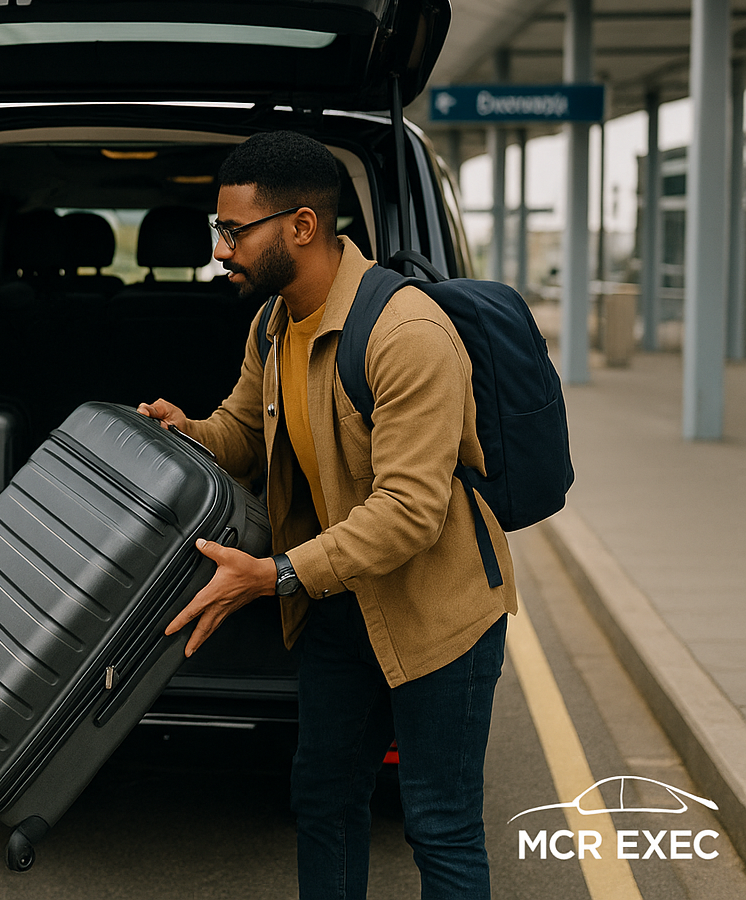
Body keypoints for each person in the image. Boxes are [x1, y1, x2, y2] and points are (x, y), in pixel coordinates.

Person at [140, 131, 516, 900]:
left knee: (439, 825)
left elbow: (410, 510)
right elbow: (245, 433)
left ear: (302, 226)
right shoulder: (273, 324)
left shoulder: (406, 334)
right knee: (323, 802)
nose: (220, 251)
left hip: (437, 614)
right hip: (341, 605)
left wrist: (276, 574)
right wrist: (190, 434)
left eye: (234, 231)